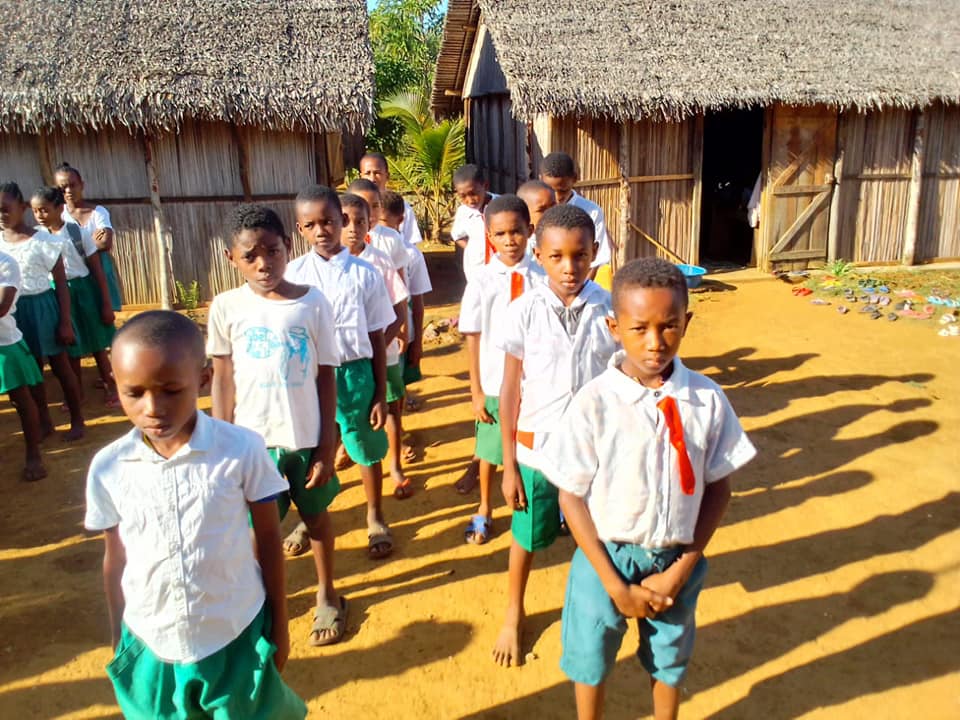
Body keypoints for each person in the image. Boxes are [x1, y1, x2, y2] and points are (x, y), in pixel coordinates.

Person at [542, 258, 757, 720]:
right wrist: (613, 585)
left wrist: (680, 570)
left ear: (687, 322)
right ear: (614, 328)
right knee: (589, 659)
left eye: (669, 326)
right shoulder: (595, 402)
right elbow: (570, 496)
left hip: (676, 557)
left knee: (670, 661)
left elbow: (719, 490)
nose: (655, 342)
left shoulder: (706, 399)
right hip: (604, 557)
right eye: (639, 329)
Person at [84, 310, 306, 720]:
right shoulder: (108, 467)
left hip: (233, 633)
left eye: (171, 390)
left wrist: (280, 623)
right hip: (149, 640)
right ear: (115, 384)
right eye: (134, 393)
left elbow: (269, 539)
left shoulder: (241, 449)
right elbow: (115, 558)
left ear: (203, 379)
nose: (153, 408)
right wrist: (119, 637)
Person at [207, 204, 347, 646]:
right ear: (231, 258)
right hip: (251, 446)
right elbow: (223, 380)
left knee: (316, 518)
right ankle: (263, 604)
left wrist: (325, 446)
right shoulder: (226, 307)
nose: (263, 263)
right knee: (256, 532)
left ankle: (328, 594)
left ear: (288, 246)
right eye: (250, 256)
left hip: (304, 439)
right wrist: (220, 442)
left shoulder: (312, 302)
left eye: (272, 250)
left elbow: (326, 376)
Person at [493, 203, 618, 667]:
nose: (569, 267)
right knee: (526, 534)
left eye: (580, 255)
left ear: (595, 252)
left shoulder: (611, 310)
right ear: (538, 256)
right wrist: (509, 465)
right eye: (557, 257)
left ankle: (593, 607)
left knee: (596, 534)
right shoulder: (523, 311)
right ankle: (513, 610)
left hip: (594, 451)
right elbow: (510, 389)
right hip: (536, 451)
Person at [286, 185, 397, 560]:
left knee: (366, 447)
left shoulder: (365, 274)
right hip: (309, 377)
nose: (321, 231)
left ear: (342, 220)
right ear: (300, 229)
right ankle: (311, 515)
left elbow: (377, 334)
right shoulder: (293, 275)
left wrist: (380, 392)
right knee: (315, 449)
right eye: (311, 225)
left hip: (355, 375)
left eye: (329, 221)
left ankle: (375, 515)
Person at [458, 195, 545, 545]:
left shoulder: (543, 276)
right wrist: (476, 390)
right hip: (495, 381)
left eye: (517, 231)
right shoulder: (481, 280)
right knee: (490, 450)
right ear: (489, 236)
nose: (510, 240)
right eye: (500, 234)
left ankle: (545, 505)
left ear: (530, 230)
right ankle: (484, 507)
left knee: (535, 445)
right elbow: (473, 335)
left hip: (535, 383)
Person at [339, 193, 413, 500]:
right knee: (344, 408)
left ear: (370, 223)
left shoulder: (379, 261)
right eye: (345, 221)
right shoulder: (325, 267)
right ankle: (346, 448)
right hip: (343, 360)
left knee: (390, 409)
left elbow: (400, 309)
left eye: (360, 221)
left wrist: (379, 346)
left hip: (384, 354)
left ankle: (394, 465)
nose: (353, 228)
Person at [0, 182, 85, 441]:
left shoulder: (45, 241)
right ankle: (44, 422)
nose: (1, 215)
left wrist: (65, 322)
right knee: (33, 372)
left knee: (60, 366)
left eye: (5, 209)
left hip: (43, 308)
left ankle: (77, 420)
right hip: (13, 315)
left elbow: (61, 283)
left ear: (22, 207)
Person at [30, 186, 117, 407]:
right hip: (56, 294)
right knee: (70, 347)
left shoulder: (77, 233)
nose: (40, 215)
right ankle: (75, 394)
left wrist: (106, 303)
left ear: (60, 208)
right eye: (35, 211)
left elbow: (97, 270)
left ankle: (111, 387)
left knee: (97, 342)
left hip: (84, 290)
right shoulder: (36, 238)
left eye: (45, 210)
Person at [0, 248, 47, 481]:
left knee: (21, 400)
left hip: (4, 343)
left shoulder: (6, 263)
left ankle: (33, 454)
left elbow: (2, 307)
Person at [381, 189, 432, 394]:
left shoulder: (412, 254)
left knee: (398, 387)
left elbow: (417, 301)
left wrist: (417, 341)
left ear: (400, 220)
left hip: (403, 333)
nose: (378, 228)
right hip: (377, 333)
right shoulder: (366, 253)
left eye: (383, 222)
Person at [54, 163, 123, 312]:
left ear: (82, 185)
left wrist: (74, 246)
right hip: (73, 273)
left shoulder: (98, 212)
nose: (68, 190)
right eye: (63, 187)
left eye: (73, 185)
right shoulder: (58, 214)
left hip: (100, 268)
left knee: (103, 310)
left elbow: (105, 243)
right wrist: (91, 241)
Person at [539, 152, 614, 289]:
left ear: (574, 179)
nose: (557, 197)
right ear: (541, 179)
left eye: (563, 190)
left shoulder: (591, 211)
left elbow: (596, 260)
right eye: (551, 190)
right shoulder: (535, 209)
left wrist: (578, 291)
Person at [358, 151, 423, 246]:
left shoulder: (400, 206)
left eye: (377, 173)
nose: (372, 178)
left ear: (387, 176)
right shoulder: (355, 207)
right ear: (361, 177)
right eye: (367, 173)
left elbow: (411, 242)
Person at [451, 164, 496, 285]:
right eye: (463, 196)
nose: (470, 200)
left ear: (485, 186)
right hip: (476, 270)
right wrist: (473, 249)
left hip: (501, 268)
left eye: (473, 193)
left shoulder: (502, 206)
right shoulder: (463, 212)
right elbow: (457, 236)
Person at [516, 180, 556, 257]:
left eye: (553, 207)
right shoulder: (523, 249)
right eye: (541, 210)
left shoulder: (565, 237)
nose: (550, 213)